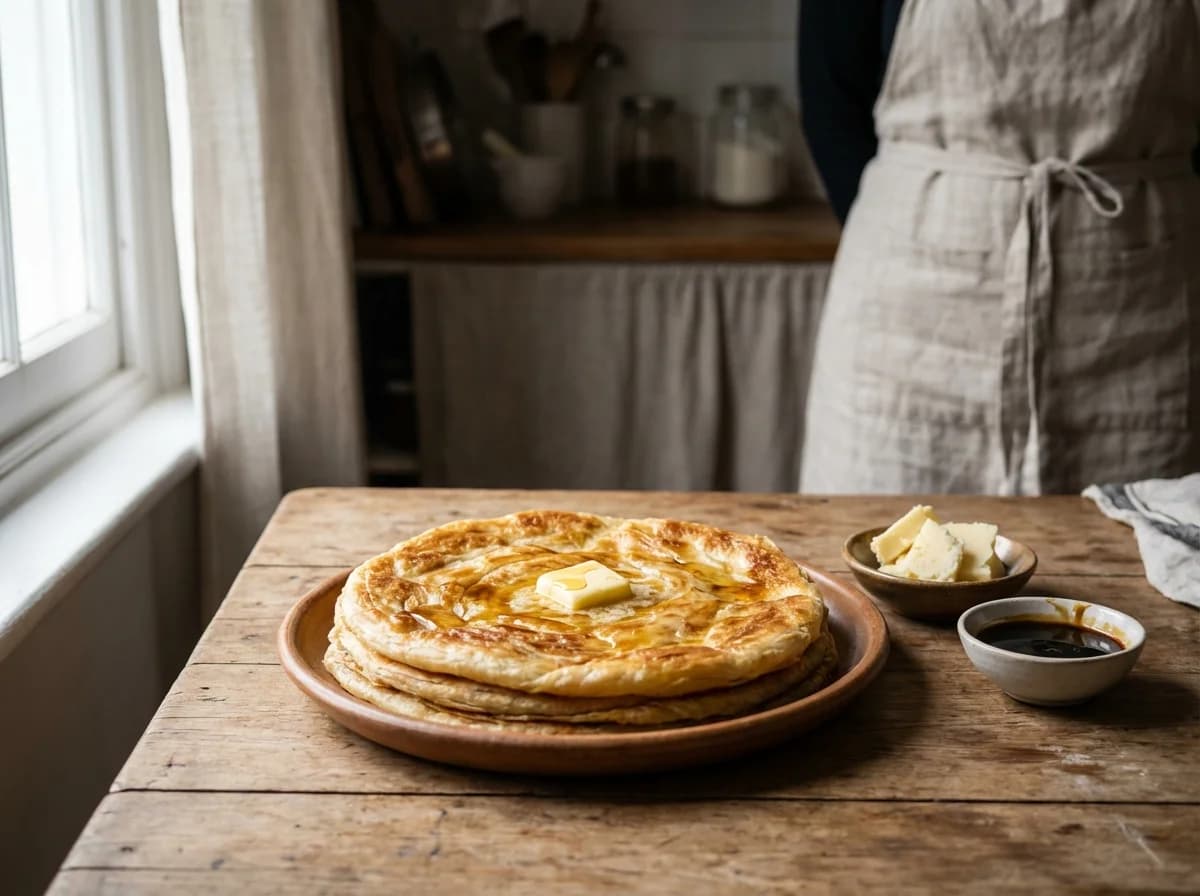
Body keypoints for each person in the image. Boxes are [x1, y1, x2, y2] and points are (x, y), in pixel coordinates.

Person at [797, 1, 1200, 495]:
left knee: (1145, 552)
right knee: (883, 553)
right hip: (908, 324)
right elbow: (832, 106)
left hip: (1140, 311)